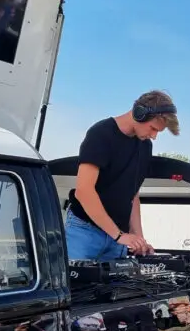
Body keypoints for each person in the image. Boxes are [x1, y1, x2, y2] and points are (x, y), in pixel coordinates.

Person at [65, 90, 179, 261]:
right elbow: (84, 191)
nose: (154, 136)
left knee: (113, 288)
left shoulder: (145, 145)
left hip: (118, 236)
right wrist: (118, 235)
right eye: (153, 128)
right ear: (139, 114)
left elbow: (132, 195)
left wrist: (139, 239)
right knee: (75, 286)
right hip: (84, 232)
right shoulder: (101, 134)